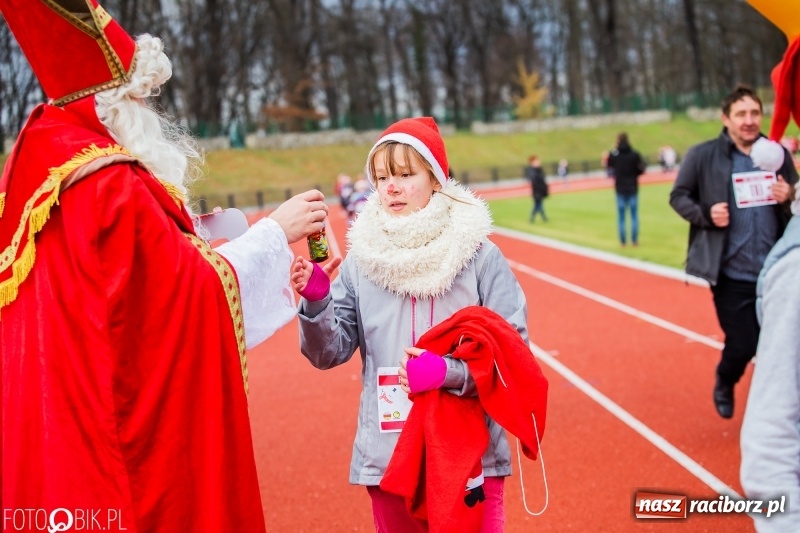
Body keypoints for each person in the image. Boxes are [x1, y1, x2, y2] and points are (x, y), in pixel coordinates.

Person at [0, 2, 328, 531]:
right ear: (113, 104)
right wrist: (275, 233)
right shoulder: (107, 183)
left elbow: (128, 291)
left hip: (56, 433)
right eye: (142, 98)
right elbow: (184, 297)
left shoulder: (43, 167)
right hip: (115, 453)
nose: (153, 116)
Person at [290, 117, 546, 532]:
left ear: (436, 177)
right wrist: (317, 301)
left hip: (469, 456)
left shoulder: (480, 257)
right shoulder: (360, 263)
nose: (391, 187)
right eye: (382, 176)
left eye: (406, 175)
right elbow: (327, 353)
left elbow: (512, 356)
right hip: (390, 456)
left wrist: (450, 373)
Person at [669, 83, 797, 420]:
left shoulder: (778, 156)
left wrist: (789, 196)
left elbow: (796, 203)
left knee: (782, 344)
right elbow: (679, 196)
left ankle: (775, 411)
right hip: (730, 272)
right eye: (741, 114)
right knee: (744, 342)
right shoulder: (703, 154)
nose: (749, 120)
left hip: (775, 269)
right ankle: (725, 379)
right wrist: (706, 214)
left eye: (755, 112)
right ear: (726, 118)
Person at [607, 132, 646, 247]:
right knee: (634, 216)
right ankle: (634, 240)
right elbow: (642, 168)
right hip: (633, 187)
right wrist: (635, 174)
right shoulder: (634, 154)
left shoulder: (614, 155)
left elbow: (609, 165)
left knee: (621, 217)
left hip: (620, 188)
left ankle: (623, 241)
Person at [525, 154, 549, 222]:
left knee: (538, 205)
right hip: (537, 191)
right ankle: (541, 217)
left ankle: (535, 218)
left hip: (540, 191)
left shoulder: (538, 170)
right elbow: (536, 180)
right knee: (538, 205)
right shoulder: (533, 171)